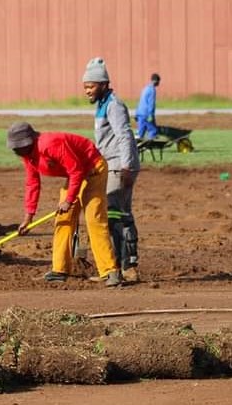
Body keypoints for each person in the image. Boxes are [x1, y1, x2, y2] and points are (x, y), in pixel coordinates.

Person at [7, 122, 122, 287]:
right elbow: (32, 183)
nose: (15, 151)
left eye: (18, 147)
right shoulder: (28, 156)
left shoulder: (50, 144)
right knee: (63, 219)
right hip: (76, 174)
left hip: (93, 169)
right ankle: (59, 270)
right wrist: (28, 217)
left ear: (28, 142)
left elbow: (76, 171)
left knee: (94, 219)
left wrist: (69, 200)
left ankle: (110, 271)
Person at [82, 57, 142, 283]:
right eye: (85, 87)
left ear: (104, 84)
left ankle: (126, 268)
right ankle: (116, 266)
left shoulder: (114, 105)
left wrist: (126, 165)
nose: (87, 90)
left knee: (117, 215)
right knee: (116, 214)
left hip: (120, 165)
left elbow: (124, 134)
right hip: (112, 163)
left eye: (91, 86)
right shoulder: (102, 105)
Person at [135, 73, 161, 140]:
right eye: (159, 82)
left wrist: (136, 113)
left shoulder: (145, 88)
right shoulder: (152, 90)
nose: (159, 83)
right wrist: (150, 115)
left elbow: (141, 101)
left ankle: (136, 146)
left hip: (140, 113)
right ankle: (150, 146)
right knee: (153, 130)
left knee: (140, 133)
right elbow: (151, 104)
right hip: (146, 114)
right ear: (156, 81)